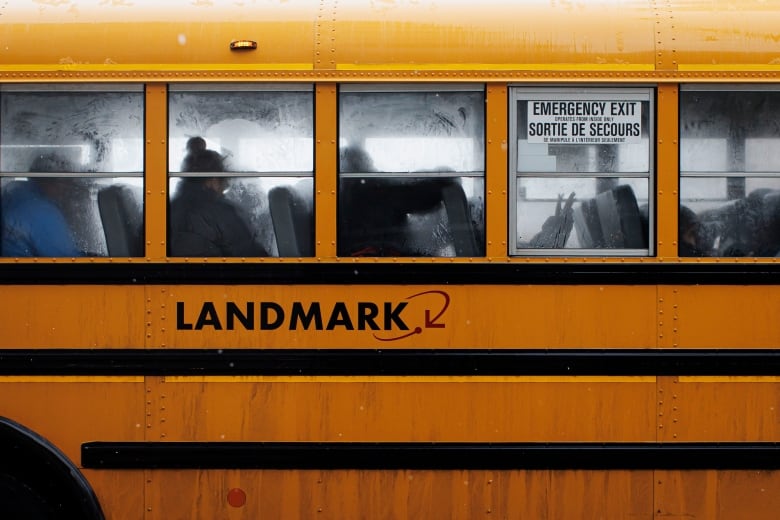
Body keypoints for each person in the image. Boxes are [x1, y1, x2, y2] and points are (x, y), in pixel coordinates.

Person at [169, 137, 268, 257]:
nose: (224, 188)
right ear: (212, 180)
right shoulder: (222, 213)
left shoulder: (164, 210)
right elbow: (250, 255)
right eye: (223, 181)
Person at [1, 154, 83, 257]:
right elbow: (67, 258)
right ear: (52, 181)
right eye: (68, 182)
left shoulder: (13, 191)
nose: (69, 191)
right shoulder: (41, 210)